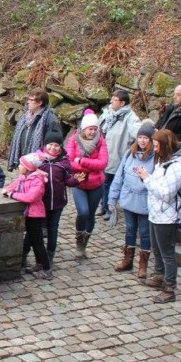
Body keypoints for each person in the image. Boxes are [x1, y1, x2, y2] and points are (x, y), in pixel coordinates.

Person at [136, 129, 181, 303]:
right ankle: (159, 276)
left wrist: (146, 179)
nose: (154, 149)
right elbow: (159, 183)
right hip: (156, 213)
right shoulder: (164, 162)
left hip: (168, 216)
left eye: (156, 146)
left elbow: (166, 193)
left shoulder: (178, 167)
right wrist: (146, 176)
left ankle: (169, 289)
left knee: (167, 252)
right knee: (157, 248)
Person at [108, 120, 156, 278]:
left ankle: (143, 265)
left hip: (144, 202)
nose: (142, 140)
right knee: (129, 230)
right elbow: (119, 177)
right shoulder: (130, 154)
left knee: (144, 233)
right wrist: (112, 198)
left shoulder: (156, 159)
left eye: (146, 138)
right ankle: (127, 260)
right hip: (128, 199)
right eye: (140, 137)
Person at [66, 109, 108, 259]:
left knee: (90, 215)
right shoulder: (74, 140)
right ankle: (78, 241)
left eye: (95, 129)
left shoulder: (101, 141)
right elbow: (69, 162)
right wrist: (89, 165)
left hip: (96, 184)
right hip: (79, 183)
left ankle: (84, 245)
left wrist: (82, 161)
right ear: (84, 129)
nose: (92, 132)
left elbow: (102, 163)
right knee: (82, 212)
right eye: (90, 129)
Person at [38, 130, 80, 271]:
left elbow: (68, 180)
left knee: (53, 228)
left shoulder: (64, 162)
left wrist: (76, 180)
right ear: (45, 145)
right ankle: (37, 254)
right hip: (40, 201)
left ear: (61, 147)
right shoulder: (38, 159)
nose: (53, 148)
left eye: (56, 145)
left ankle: (50, 254)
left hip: (57, 202)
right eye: (50, 144)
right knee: (37, 228)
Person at [3, 154, 50, 278]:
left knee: (38, 242)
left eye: (21, 165)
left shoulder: (37, 181)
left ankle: (46, 268)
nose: (19, 166)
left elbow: (30, 197)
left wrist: (12, 195)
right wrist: (7, 190)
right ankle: (39, 265)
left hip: (35, 215)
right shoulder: (23, 177)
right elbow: (13, 185)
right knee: (33, 241)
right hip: (28, 214)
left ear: (28, 167)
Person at [98, 90, 140, 218]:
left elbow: (138, 131)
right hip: (105, 155)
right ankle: (103, 206)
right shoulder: (108, 113)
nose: (111, 101)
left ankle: (109, 208)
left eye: (114, 99)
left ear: (122, 103)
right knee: (103, 182)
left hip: (118, 155)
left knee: (112, 183)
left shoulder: (131, 117)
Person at [7, 88, 62, 172]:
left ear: (40, 103)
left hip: (40, 164)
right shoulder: (25, 116)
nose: (28, 102)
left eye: (31, 100)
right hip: (25, 160)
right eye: (28, 99)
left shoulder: (50, 120)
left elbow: (53, 146)